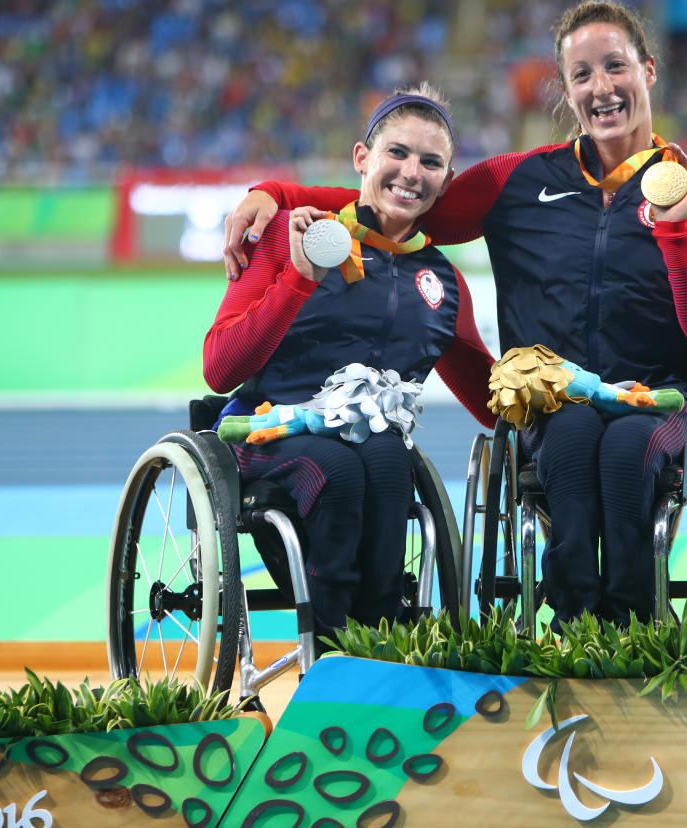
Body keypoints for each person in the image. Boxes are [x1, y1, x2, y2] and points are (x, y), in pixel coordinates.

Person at [222, 1, 687, 630]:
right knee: (577, 438)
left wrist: (677, 233)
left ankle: (631, 631)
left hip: (656, 401)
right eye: (582, 74)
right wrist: (279, 195)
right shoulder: (517, 181)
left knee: (623, 452)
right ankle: (574, 630)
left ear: (649, 69)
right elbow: (397, 203)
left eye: (616, 67)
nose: (601, 87)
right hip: (553, 403)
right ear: (566, 89)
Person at [204, 84, 496, 642]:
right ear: (362, 158)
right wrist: (299, 279)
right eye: (398, 153)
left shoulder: (443, 282)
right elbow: (220, 369)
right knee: (338, 468)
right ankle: (334, 644)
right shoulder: (286, 238)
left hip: (373, 453)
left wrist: (558, 388)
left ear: (446, 181)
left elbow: (488, 402)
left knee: (389, 458)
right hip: (267, 436)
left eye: (431, 162)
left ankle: (380, 638)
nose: (412, 172)